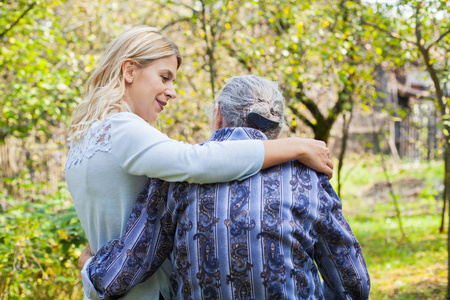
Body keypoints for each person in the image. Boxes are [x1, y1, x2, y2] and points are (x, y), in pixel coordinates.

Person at [65, 26, 334, 300]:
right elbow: (197, 161)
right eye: (164, 77)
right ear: (129, 70)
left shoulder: (83, 141)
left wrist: (90, 268)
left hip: (105, 288)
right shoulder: (124, 129)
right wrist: (296, 145)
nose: (172, 92)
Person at [79, 75, 370, 299]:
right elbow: (353, 280)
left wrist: (91, 266)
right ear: (276, 129)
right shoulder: (306, 179)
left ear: (218, 115)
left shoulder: (175, 178)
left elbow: (129, 265)